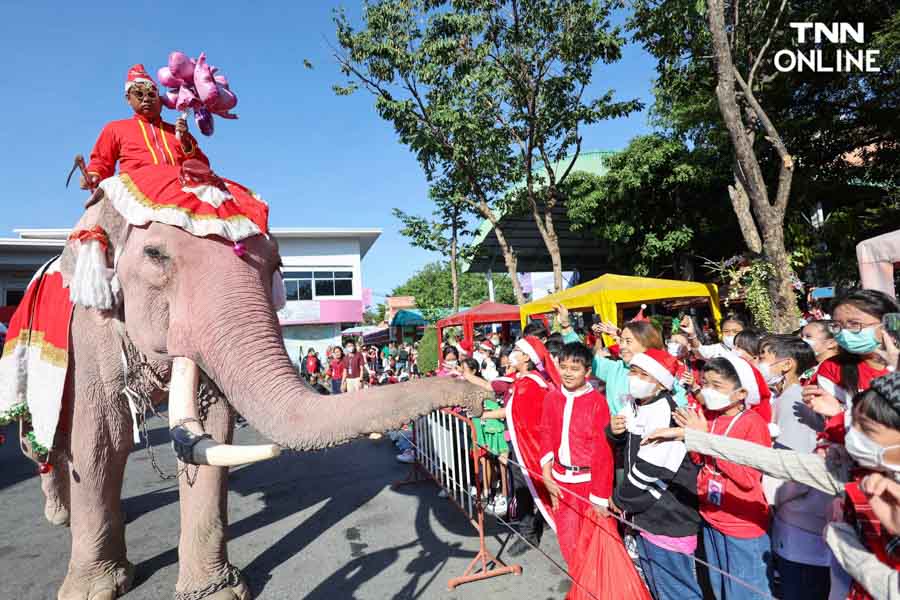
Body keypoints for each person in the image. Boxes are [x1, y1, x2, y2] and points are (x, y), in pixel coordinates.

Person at [646, 372, 900, 600]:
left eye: (866, 430)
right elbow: (771, 460)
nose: (852, 436)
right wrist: (692, 437)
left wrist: (842, 540)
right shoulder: (855, 471)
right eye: (852, 424)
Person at [606, 348, 704, 599]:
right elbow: (626, 446)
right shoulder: (636, 405)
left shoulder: (665, 412)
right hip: (647, 513)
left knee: (675, 588)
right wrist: (613, 432)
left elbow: (650, 468)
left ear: (661, 383)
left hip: (667, 516)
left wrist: (620, 499)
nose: (635, 379)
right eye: (633, 372)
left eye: (644, 375)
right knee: (656, 581)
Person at [757, 335, 833, 599]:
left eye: (763, 357)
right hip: (792, 517)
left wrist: (775, 499)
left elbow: (794, 466)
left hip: (799, 523)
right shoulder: (783, 397)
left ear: (786, 364)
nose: (757, 364)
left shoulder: (793, 401)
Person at [81, 64, 208, 189]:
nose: (146, 99)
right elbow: (101, 162)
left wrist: (186, 143)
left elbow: (203, 169)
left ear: (160, 100)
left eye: (151, 95)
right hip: (137, 192)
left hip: (177, 191)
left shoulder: (179, 132)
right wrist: (93, 175)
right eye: (139, 94)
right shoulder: (115, 128)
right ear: (128, 99)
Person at [804, 290, 900, 444]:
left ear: (888, 323)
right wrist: (838, 414)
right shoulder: (832, 368)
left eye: (854, 324)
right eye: (838, 326)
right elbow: (837, 432)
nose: (845, 333)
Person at [505, 336, 560, 557]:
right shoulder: (520, 380)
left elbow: (533, 422)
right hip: (519, 445)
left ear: (527, 357)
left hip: (531, 448)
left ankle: (529, 533)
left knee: (528, 488)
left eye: (516, 349)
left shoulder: (532, 384)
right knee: (522, 489)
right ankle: (530, 528)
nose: (512, 352)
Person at [682, 314, 748, 360]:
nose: (730, 334)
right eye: (726, 331)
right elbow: (699, 351)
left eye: (735, 331)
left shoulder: (751, 348)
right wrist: (692, 334)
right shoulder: (717, 349)